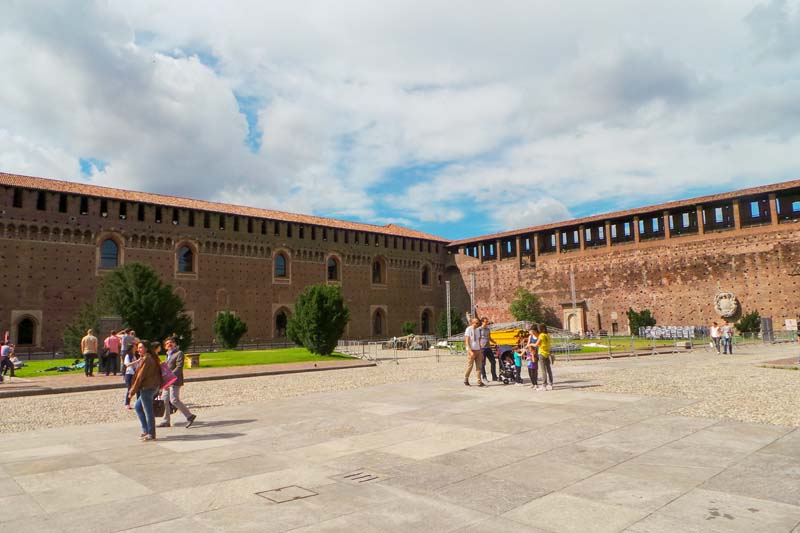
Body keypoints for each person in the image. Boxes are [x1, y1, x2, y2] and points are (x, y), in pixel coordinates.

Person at [158, 337, 197, 428]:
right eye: (167, 343)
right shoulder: (167, 355)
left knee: (174, 400)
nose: (169, 344)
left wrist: (170, 375)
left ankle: (189, 416)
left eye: (171, 342)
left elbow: (179, 367)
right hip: (167, 381)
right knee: (165, 400)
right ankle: (166, 421)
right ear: (165, 347)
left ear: (175, 344)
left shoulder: (179, 353)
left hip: (175, 380)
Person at [128, 341, 163, 441]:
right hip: (152, 387)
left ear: (146, 348)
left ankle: (151, 434)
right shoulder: (149, 357)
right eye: (138, 347)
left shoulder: (147, 359)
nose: (138, 349)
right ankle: (146, 430)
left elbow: (140, 377)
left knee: (148, 412)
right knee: (138, 407)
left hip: (147, 388)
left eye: (140, 347)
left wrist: (132, 391)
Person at [463, 317, 485, 387]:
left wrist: (481, 351)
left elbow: (478, 340)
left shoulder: (478, 330)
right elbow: (467, 341)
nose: (477, 324)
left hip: (478, 350)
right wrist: (470, 351)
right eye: (476, 323)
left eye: (478, 323)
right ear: (472, 323)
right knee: (470, 366)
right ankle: (466, 378)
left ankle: (479, 381)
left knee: (479, 366)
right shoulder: (468, 329)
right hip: (471, 350)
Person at [533, 324, 553, 390]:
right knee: (548, 369)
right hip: (547, 353)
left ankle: (544, 385)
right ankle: (551, 383)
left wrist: (530, 344)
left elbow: (536, 344)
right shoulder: (547, 335)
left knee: (543, 370)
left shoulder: (541, 335)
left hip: (542, 353)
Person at [122, 342, 143, 409]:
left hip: (135, 374)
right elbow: (127, 364)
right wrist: (137, 361)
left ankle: (139, 403)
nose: (136, 348)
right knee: (130, 389)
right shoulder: (128, 356)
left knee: (138, 389)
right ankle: (127, 403)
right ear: (131, 348)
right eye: (134, 347)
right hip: (129, 374)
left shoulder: (135, 355)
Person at [478, 317, 498, 382]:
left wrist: (495, 342)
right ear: (482, 322)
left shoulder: (488, 329)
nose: (487, 323)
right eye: (486, 321)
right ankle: (484, 377)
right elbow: (477, 339)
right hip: (482, 348)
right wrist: (479, 347)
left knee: (493, 361)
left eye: (487, 321)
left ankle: (494, 376)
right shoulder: (479, 329)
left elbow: (489, 338)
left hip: (488, 347)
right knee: (483, 363)